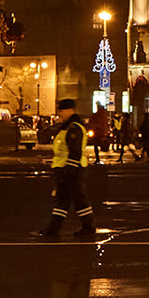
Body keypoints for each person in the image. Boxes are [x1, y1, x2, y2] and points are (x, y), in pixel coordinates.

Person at [40, 99, 97, 240]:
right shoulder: (67, 127)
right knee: (62, 200)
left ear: (70, 110)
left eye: (62, 111)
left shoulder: (74, 128)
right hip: (65, 168)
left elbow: (75, 152)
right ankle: (53, 229)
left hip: (73, 169)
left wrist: (69, 170)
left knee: (78, 199)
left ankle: (89, 226)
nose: (60, 114)